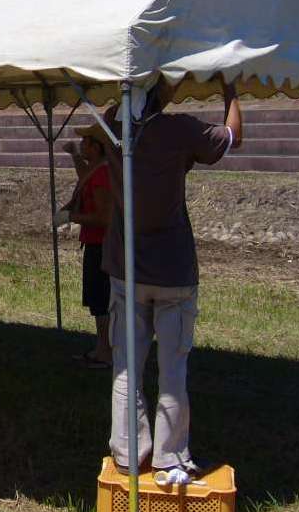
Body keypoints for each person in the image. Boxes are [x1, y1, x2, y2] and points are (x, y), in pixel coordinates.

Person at [103, 77, 242, 477]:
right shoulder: (179, 129)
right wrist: (230, 90)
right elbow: (234, 136)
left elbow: (143, 100)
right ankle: (171, 456)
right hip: (173, 269)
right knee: (172, 371)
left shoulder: (112, 123)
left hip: (127, 268)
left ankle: (128, 453)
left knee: (127, 368)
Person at [57, 124, 113, 369]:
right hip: (96, 244)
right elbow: (84, 176)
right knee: (98, 300)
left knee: (101, 301)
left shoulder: (102, 175)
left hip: (101, 246)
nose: (81, 145)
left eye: (85, 142)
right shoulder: (98, 170)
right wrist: (73, 155)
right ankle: (103, 349)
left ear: (96, 146)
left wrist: (71, 218)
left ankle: (105, 352)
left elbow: (104, 217)